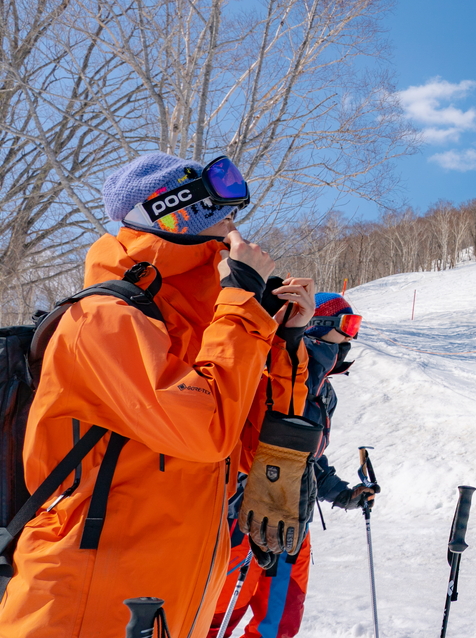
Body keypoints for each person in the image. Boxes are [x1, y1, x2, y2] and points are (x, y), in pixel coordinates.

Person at [0, 152, 313, 637]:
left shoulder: (208, 324)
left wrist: (282, 342)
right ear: (177, 211)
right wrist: (241, 303)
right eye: (222, 213)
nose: (235, 225)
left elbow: (245, 449)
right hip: (87, 604)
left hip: (170, 601)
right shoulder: (103, 318)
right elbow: (205, 431)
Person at [208, 293, 376, 638]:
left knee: (279, 620)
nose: (352, 337)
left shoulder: (324, 391)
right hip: (246, 518)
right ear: (318, 327)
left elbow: (306, 459)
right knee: (219, 615)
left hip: (293, 522)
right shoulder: (268, 375)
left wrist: (342, 494)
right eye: (348, 325)